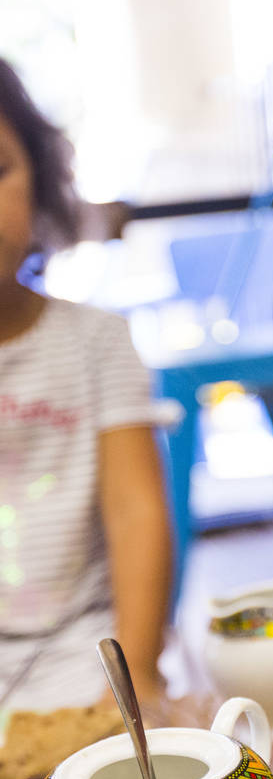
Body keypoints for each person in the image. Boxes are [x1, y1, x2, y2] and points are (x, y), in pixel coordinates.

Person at [0, 59, 173, 710]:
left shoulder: (97, 342)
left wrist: (140, 676)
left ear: (40, 181)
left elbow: (136, 515)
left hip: (87, 655)